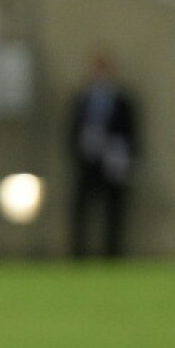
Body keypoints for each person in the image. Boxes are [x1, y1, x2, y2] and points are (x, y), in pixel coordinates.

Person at [68, 49, 139, 259]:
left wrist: (124, 157)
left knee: (114, 211)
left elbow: (131, 133)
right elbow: (71, 131)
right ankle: (78, 254)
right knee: (81, 209)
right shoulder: (82, 100)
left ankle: (112, 255)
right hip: (88, 163)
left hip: (113, 164)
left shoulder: (123, 102)